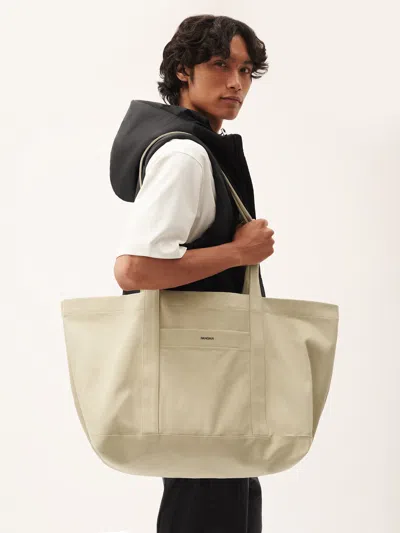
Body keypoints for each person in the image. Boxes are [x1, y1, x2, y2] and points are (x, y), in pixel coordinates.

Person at [110, 14, 275, 533]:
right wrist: (238, 252)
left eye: (245, 71)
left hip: (206, 375)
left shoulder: (199, 148)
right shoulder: (184, 154)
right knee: (210, 505)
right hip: (204, 380)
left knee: (222, 501)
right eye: (220, 65)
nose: (236, 83)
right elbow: (134, 268)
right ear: (183, 70)